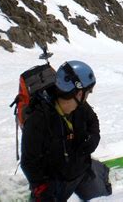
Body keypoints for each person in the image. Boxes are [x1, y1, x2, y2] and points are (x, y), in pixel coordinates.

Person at [21, 61, 112, 201]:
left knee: (103, 196)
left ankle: (96, 170)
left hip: (81, 170)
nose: (88, 95)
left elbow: (93, 121)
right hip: (55, 181)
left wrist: (93, 138)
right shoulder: (38, 119)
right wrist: (42, 189)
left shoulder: (81, 105)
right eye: (89, 92)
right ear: (80, 92)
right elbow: (29, 162)